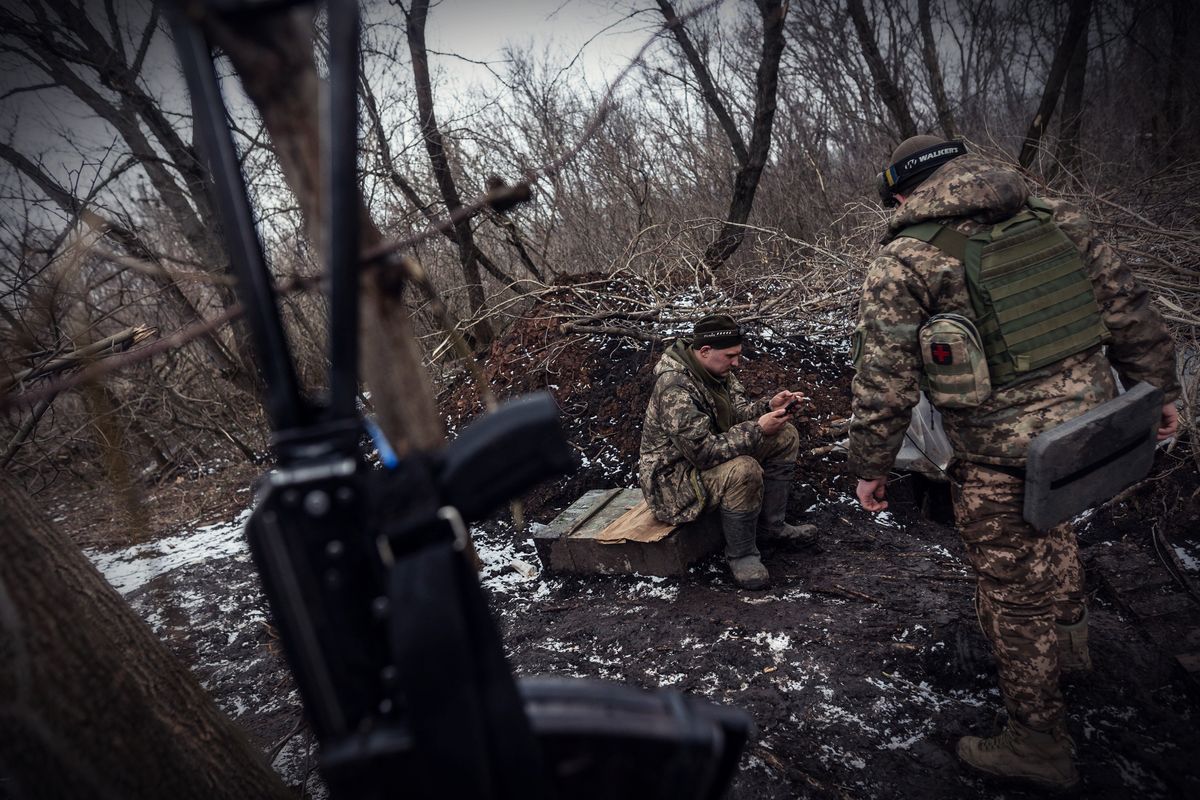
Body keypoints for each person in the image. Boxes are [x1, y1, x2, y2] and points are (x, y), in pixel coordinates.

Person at [848, 135, 1180, 790]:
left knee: (1009, 590)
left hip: (1000, 451)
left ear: (906, 192)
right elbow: (1128, 308)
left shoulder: (906, 258)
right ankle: (1072, 646)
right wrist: (1157, 392)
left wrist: (870, 464)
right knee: (1053, 526)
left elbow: (883, 380)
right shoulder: (1058, 217)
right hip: (1091, 431)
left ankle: (1037, 741)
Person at [639, 314, 817, 590]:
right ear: (705, 351)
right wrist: (758, 430)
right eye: (730, 356)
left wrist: (768, 407)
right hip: (672, 483)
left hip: (699, 466)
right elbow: (702, 453)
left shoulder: (716, 372)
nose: (736, 363)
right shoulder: (674, 387)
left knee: (785, 435)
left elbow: (736, 416)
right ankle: (742, 555)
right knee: (744, 469)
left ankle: (772, 527)